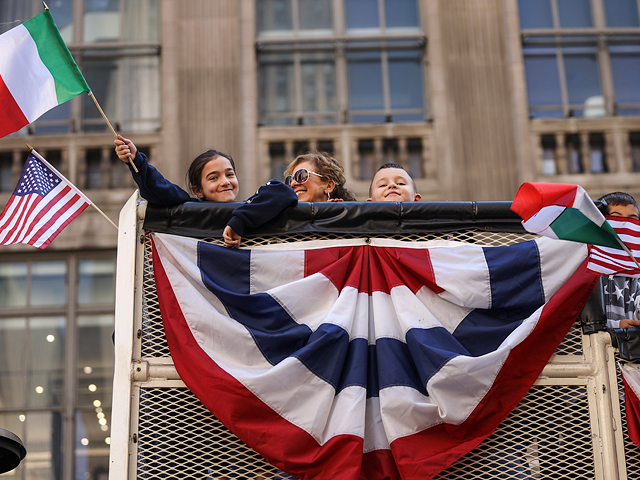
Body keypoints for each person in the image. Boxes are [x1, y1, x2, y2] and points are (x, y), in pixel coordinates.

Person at [114, 136, 297, 244]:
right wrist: (136, 159)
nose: (225, 182)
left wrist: (239, 221)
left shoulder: (251, 210)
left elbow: (283, 191)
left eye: (230, 174)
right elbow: (159, 189)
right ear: (198, 190)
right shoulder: (188, 207)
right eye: (213, 178)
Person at [223, 151, 356, 248]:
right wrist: (239, 220)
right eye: (290, 180)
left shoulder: (352, 216)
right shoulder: (280, 216)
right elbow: (277, 192)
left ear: (328, 185)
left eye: (302, 175)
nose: (293, 184)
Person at [597, 192, 640, 329]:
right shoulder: (585, 264)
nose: (626, 226)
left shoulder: (635, 269)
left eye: (632, 220)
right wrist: (615, 326)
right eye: (616, 218)